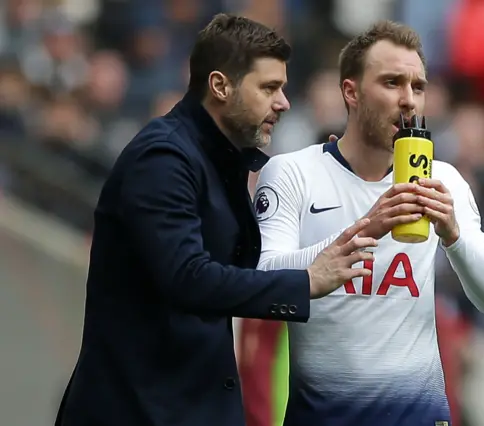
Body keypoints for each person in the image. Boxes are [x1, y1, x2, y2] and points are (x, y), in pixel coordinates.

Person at [54, 14, 379, 426]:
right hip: (136, 410)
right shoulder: (162, 159)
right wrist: (306, 282)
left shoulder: (221, 159)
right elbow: (188, 277)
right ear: (220, 86)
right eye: (268, 88)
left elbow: (245, 270)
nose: (284, 102)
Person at [252, 20, 484, 426]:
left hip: (419, 415)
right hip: (323, 415)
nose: (409, 100)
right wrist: (366, 228)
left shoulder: (444, 181)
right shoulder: (293, 172)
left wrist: (454, 235)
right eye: (392, 83)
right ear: (351, 92)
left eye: (418, 87)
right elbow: (261, 280)